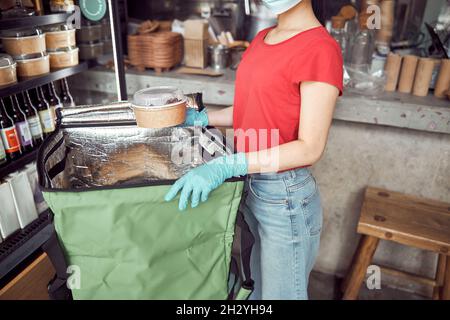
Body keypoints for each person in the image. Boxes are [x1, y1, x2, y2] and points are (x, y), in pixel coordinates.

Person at [165, 0, 343, 300]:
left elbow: (309, 148)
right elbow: (252, 108)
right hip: (251, 185)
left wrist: (227, 166)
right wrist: (205, 118)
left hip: (284, 197)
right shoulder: (263, 38)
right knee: (258, 293)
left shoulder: (321, 48)